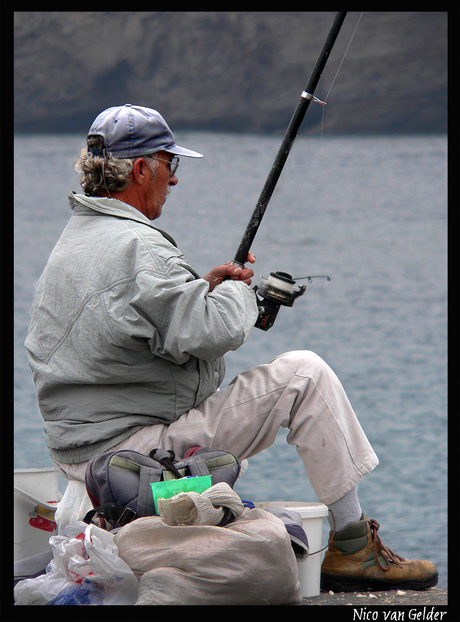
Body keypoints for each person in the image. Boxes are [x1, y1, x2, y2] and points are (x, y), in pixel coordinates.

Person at [25, 104, 437, 593]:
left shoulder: (76, 239)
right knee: (305, 374)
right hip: (132, 452)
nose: (173, 180)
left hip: (81, 452)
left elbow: (136, 322)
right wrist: (242, 293)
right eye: (168, 164)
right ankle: (354, 550)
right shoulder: (140, 247)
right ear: (140, 170)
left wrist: (200, 288)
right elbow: (213, 331)